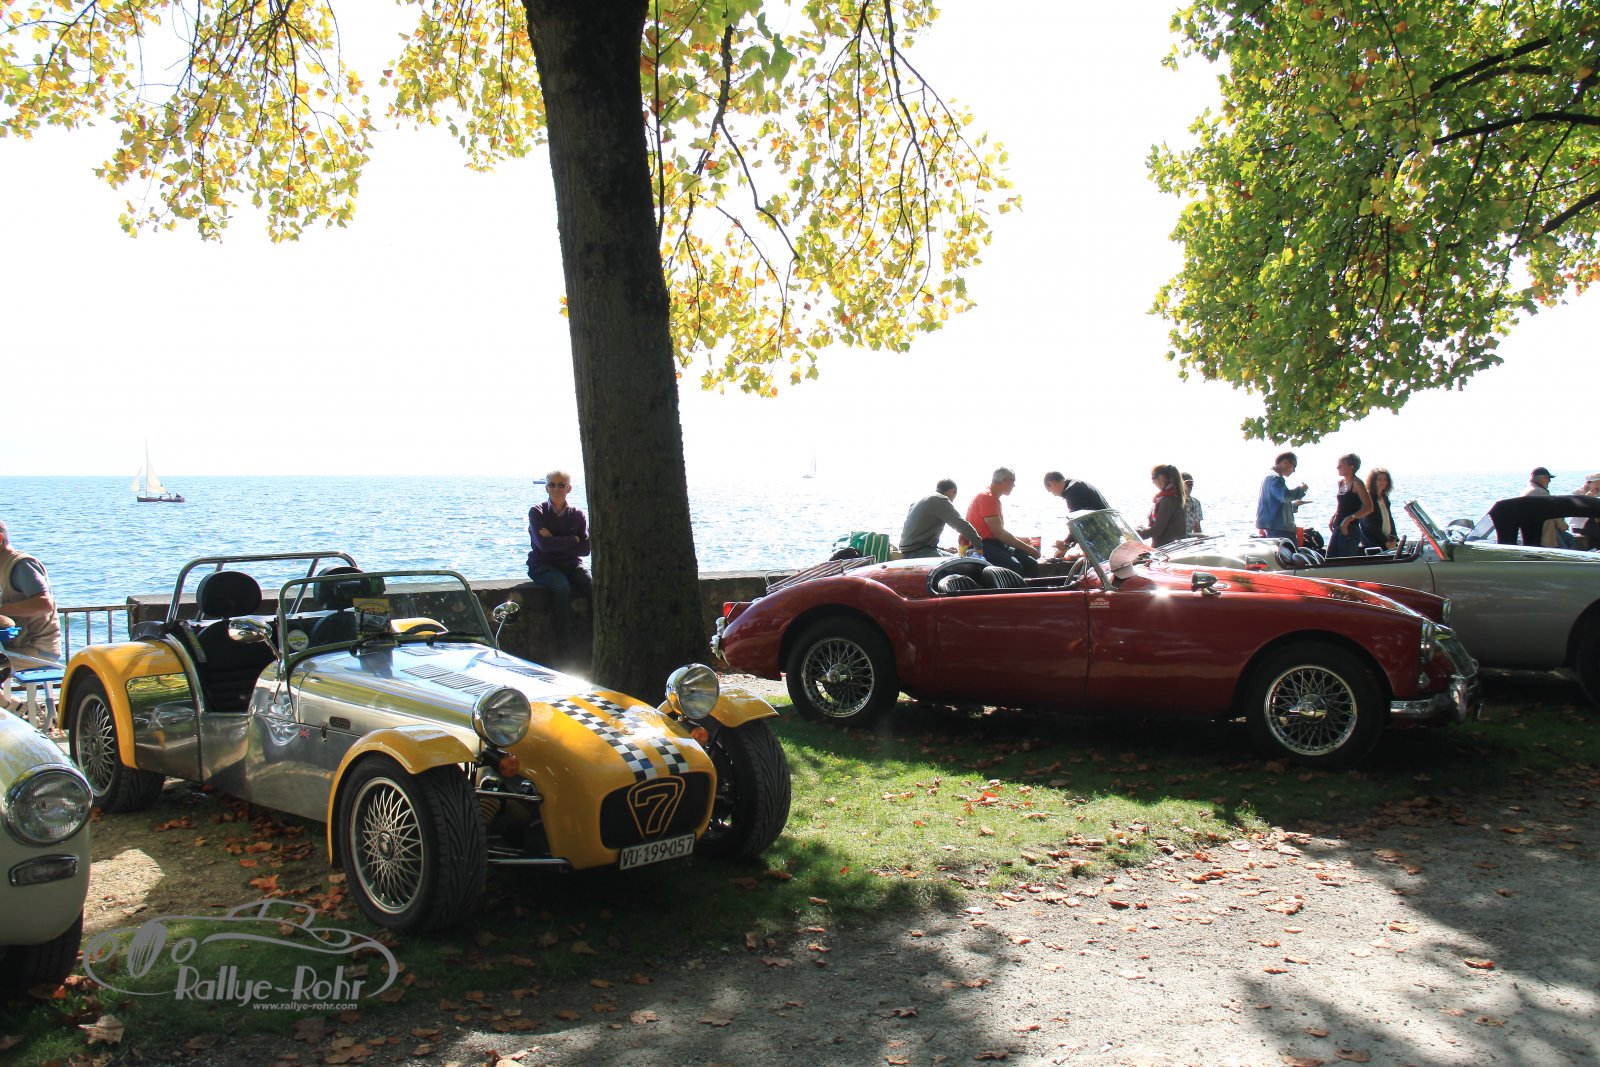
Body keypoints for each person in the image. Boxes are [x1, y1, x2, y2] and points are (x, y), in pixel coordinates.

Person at [525, 471, 592, 662]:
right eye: (551, 485)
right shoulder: (537, 512)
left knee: (592, 586)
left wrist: (553, 538)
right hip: (542, 566)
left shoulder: (577, 515)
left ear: (568, 488)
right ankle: (563, 644)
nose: (556, 488)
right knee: (562, 587)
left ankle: (595, 634)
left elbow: (585, 549)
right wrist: (573, 539)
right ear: (546, 488)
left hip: (571, 564)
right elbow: (543, 546)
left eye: (561, 485)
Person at [0, 518, 62, 664]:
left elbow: (44, 604)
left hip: (36, 650)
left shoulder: (21, 564)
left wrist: (2, 609)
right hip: (11, 647)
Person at [964, 468, 1040, 577]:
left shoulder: (992, 498)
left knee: (1030, 563)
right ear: (1005, 481)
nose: (1014, 485)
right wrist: (1030, 549)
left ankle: (1028, 588)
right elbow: (999, 533)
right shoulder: (987, 497)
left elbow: (996, 532)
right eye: (1013, 481)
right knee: (1013, 566)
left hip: (995, 543)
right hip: (982, 545)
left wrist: (1020, 540)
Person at [899, 479, 984, 559]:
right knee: (959, 564)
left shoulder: (921, 500)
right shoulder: (940, 499)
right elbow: (961, 525)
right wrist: (979, 546)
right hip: (918, 551)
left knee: (953, 557)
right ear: (952, 491)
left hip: (908, 551)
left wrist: (942, 550)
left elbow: (918, 536)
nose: (952, 501)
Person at [1327, 453, 1375, 557]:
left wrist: (1349, 519)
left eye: (1341, 465)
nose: (1337, 467)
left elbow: (1369, 507)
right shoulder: (1341, 483)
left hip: (1350, 529)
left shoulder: (1357, 483)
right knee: (1330, 559)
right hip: (1338, 526)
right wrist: (1334, 516)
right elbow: (1343, 505)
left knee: (1344, 562)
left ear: (1352, 466)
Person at [1255, 451, 1309, 540]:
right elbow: (1285, 497)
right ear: (1285, 462)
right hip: (1278, 528)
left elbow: (1275, 505)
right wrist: (1301, 490)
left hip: (1274, 526)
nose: (1294, 470)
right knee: (1288, 548)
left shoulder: (1270, 477)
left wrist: (1294, 505)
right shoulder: (1275, 478)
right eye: (1294, 466)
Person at [1138, 464, 1187, 548]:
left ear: (1161, 477)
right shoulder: (1175, 497)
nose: (1152, 482)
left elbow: (1157, 530)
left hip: (1167, 549)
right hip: (1175, 547)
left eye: (1153, 478)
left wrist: (1135, 534)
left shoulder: (1168, 500)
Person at [1521, 466, 1567, 547]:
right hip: (1543, 534)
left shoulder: (1527, 490)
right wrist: (1563, 526)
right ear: (1543, 478)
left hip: (1530, 532)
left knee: (1569, 539)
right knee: (1565, 548)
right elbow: (1555, 513)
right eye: (1548, 478)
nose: (1549, 481)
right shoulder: (1541, 492)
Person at [1361, 467, 1399, 550]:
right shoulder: (1368, 497)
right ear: (1373, 481)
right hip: (1374, 542)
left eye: (1385, 480)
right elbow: (1369, 524)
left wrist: (1394, 537)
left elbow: (1389, 518)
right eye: (1380, 479)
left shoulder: (1384, 497)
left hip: (1387, 539)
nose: (1383, 482)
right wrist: (1385, 541)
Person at [1573, 473, 1600, 550]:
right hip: (1582, 524)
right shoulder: (1577, 493)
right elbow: (1576, 511)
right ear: (1589, 483)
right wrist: (1587, 498)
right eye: (1598, 483)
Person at [1180, 472, 1203, 536]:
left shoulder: (1196, 503)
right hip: (1175, 540)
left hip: (1188, 539)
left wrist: (1200, 538)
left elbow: (1197, 528)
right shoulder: (1172, 502)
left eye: (1191, 484)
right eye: (1186, 484)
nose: (1189, 487)